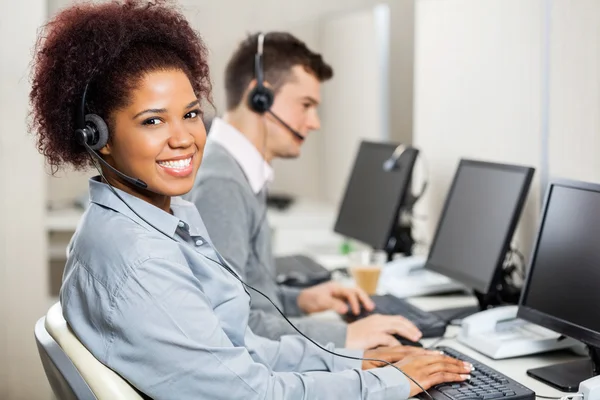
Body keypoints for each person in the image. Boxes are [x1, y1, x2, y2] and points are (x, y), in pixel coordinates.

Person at [29, 1, 471, 398]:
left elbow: (241, 345)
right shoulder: (141, 258)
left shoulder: (155, 218)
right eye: (152, 121)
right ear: (98, 137)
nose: (183, 138)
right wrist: (387, 383)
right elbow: (252, 393)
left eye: (190, 114)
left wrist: (357, 362)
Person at [187, 32, 422, 349]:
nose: (315, 123)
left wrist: (302, 300)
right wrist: (347, 336)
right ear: (261, 98)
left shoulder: (237, 169)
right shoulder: (222, 184)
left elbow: (244, 294)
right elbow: (231, 327)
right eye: (306, 105)